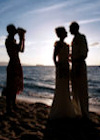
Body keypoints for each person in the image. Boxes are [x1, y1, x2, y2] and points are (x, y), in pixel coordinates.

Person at [49, 27, 75, 119]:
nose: (67, 33)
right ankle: (59, 110)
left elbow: (68, 57)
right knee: (60, 88)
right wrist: (58, 66)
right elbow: (54, 57)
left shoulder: (67, 45)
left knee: (66, 88)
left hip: (67, 67)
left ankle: (66, 109)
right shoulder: (58, 44)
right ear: (61, 34)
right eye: (65, 32)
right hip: (61, 67)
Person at [5, 24, 25, 113]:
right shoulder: (8, 41)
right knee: (11, 87)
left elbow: (21, 50)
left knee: (15, 86)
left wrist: (22, 39)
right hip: (13, 64)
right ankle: (9, 107)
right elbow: (17, 49)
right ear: (11, 31)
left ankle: (13, 104)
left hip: (16, 64)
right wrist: (21, 38)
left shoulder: (12, 40)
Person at [69, 22, 89, 118]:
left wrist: (76, 61)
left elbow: (83, 53)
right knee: (75, 89)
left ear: (75, 28)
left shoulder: (81, 37)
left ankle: (84, 113)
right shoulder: (74, 39)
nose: (69, 31)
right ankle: (77, 111)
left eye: (70, 28)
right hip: (74, 65)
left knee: (82, 89)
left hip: (80, 65)